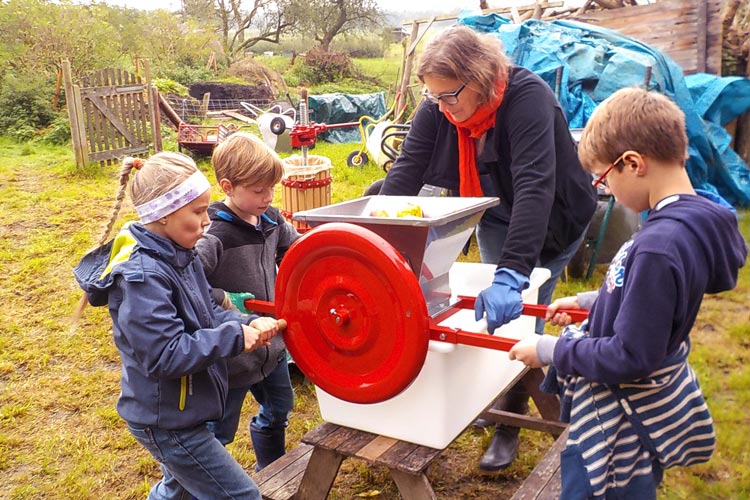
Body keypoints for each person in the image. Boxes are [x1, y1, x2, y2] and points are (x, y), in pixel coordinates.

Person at [509, 87, 747, 498]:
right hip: (633, 418)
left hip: (619, 430)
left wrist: (549, 350)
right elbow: (650, 302)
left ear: (633, 163)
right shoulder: (685, 220)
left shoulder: (659, 244)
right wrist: (589, 304)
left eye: (603, 179)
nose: (606, 192)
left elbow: (630, 355)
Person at [378, 25, 598, 472]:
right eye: (433, 97)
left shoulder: (528, 99)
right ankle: (488, 395)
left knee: (522, 313)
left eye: (449, 96)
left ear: (479, 78)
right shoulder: (440, 106)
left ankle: (508, 425)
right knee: (495, 319)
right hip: (498, 212)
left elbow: (536, 189)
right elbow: (406, 171)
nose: (441, 107)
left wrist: (513, 274)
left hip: (553, 217)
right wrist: (376, 238)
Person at [73, 152, 282, 500]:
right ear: (163, 214)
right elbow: (164, 355)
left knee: (178, 490)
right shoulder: (144, 278)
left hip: (186, 407)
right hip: (168, 420)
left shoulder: (180, 256)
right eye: (198, 212)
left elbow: (206, 316)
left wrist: (245, 321)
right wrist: (233, 336)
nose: (207, 221)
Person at [195, 132, 299, 471]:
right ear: (227, 186)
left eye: (272, 188)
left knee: (280, 408)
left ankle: (273, 471)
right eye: (258, 191)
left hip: (272, 348)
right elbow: (186, 287)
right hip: (231, 356)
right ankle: (203, 483)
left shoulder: (270, 220)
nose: (268, 197)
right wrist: (224, 299)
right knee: (219, 430)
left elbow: (296, 253)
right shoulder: (213, 236)